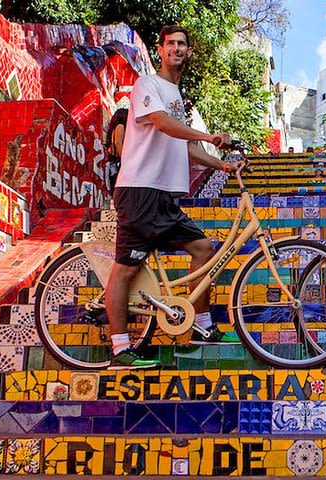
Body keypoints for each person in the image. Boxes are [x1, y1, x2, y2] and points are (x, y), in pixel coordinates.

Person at [106, 25, 243, 369]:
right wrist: (212, 137)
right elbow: (162, 124)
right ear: (160, 49)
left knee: (203, 249)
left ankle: (202, 325)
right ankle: (121, 348)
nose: (177, 49)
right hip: (140, 191)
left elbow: (185, 146)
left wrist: (221, 166)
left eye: (183, 44)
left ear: (188, 52)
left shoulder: (176, 96)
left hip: (164, 196)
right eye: (171, 44)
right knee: (125, 269)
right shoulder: (148, 85)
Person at [105, 108, 128, 190]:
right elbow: (118, 143)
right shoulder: (120, 126)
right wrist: (124, 159)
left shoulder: (114, 128)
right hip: (117, 160)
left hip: (114, 160)